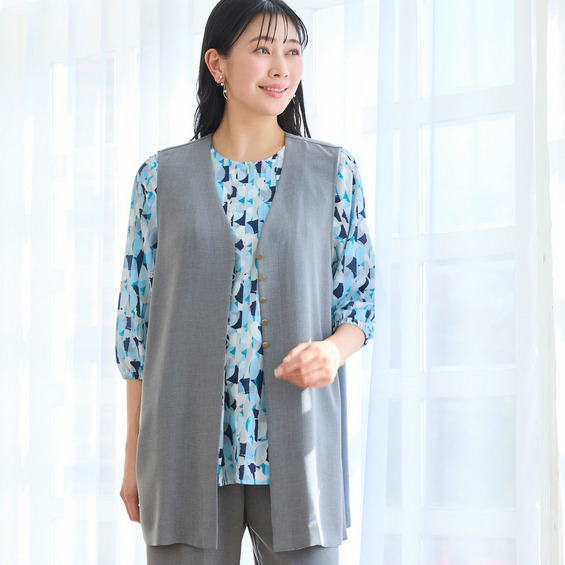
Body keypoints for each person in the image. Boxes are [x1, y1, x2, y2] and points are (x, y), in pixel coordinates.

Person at [115, 0, 375, 563]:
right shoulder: (159, 179)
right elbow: (136, 331)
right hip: (183, 452)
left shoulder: (335, 173)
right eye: (262, 50)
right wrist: (133, 456)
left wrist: (332, 351)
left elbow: (359, 304)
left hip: (300, 448)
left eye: (293, 51)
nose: (282, 67)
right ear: (218, 65)